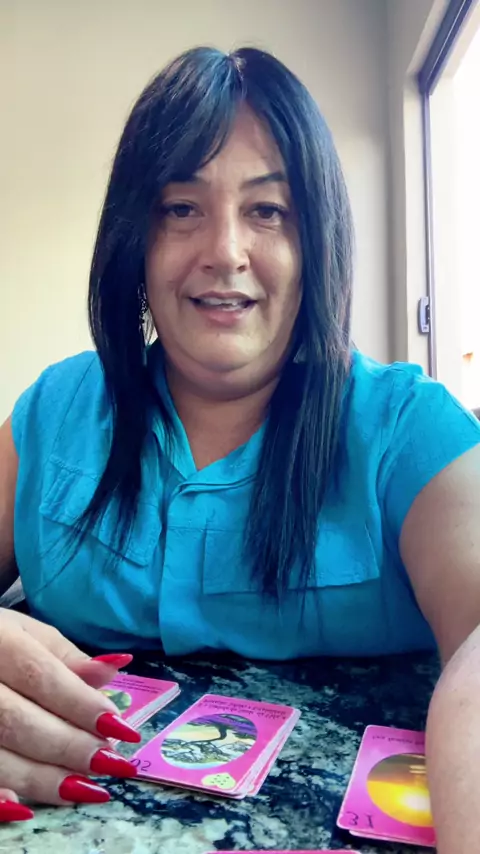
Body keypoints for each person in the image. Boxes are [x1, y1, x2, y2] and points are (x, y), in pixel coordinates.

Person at [0, 45, 479, 851]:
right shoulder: (55, 408)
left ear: (316, 239)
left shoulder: (410, 427)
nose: (224, 251)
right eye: (181, 208)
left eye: (268, 210)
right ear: (135, 238)